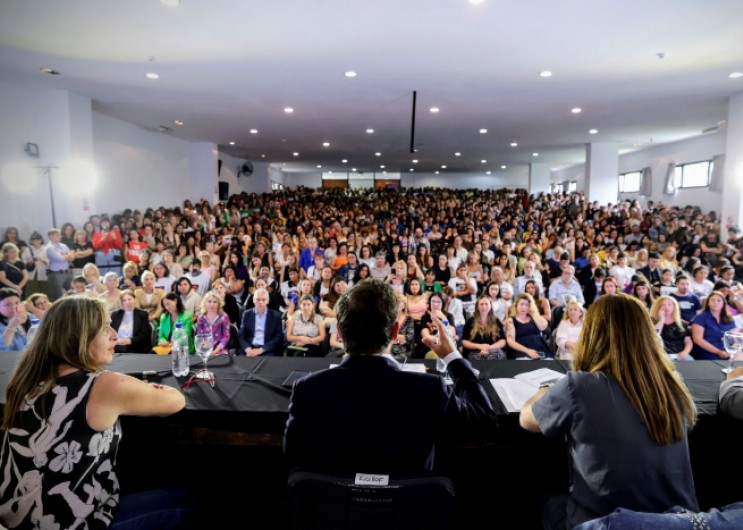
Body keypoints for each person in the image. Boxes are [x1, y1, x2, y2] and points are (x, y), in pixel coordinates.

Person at [0, 296, 190, 529]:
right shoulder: (104, 386)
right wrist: (150, 389)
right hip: (70, 523)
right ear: (77, 336)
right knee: (184, 502)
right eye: (104, 328)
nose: (115, 335)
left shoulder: (25, 379)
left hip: (14, 517)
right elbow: (176, 401)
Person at [519, 294, 698, 530]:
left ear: (592, 334)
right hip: (679, 523)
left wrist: (545, 388)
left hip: (606, 523)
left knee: (541, 485)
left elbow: (527, 420)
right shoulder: (671, 386)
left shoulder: (579, 386)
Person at [283, 279, 497, 474]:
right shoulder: (429, 389)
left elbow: (293, 457)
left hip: (333, 511)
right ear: (395, 332)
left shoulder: (307, 390)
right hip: (409, 509)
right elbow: (484, 421)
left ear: (339, 331)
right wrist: (452, 357)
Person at [690, 290, 738, 360]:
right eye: (712, 300)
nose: (716, 302)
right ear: (708, 303)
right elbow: (697, 339)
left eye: (719, 300)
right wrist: (718, 352)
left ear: (723, 303)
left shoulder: (729, 318)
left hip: (727, 351)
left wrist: (731, 351)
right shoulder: (700, 317)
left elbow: (734, 337)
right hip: (708, 352)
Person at [238, 288, 284, 356]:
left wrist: (261, 350)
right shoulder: (246, 314)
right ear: (253, 300)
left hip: (268, 350)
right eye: (258, 299)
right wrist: (248, 349)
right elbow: (241, 336)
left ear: (268, 301)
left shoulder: (276, 316)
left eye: (263, 300)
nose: (261, 302)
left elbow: (278, 337)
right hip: (250, 348)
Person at [504, 293, 550, 359]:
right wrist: (527, 351)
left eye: (526, 305)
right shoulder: (511, 321)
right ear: (516, 305)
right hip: (522, 351)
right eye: (521, 304)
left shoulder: (534, 318)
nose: (524, 307)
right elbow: (510, 341)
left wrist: (534, 314)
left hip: (540, 349)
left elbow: (543, 327)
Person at [461, 296, 506, 360]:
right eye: (481, 304)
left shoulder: (497, 321)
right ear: (477, 306)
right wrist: (480, 346)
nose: (484, 307)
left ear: (490, 306)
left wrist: (489, 348)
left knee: (495, 355)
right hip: (474, 351)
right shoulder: (470, 321)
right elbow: (464, 342)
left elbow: (502, 341)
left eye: (486, 304)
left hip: (493, 350)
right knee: (479, 357)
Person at [650, 296, 693, 360]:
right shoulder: (652, 322)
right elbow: (655, 335)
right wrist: (661, 320)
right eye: (663, 305)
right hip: (661, 355)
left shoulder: (682, 323)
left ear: (674, 307)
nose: (666, 307)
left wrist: (685, 352)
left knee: (690, 360)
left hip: (679, 354)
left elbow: (688, 341)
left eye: (669, 305)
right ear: (658, 307)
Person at [196, 291, 231, 355]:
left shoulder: (224, 317)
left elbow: (226, 336)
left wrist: (216, 350)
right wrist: (205, 345)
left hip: (220, 350)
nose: (212, 304)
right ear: (205, 303)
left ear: (219, 304)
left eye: (215, 302)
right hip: (205, 348)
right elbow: (200, 335)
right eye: (209, 301)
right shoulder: (201, 318)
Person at [45, 228, 75, 301]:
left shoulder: (63, 245)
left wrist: (65, 256)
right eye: (57, 235)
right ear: (50, 237)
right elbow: (60, 258)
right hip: (56, 274)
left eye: (60, 235)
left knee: (73, 293)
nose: (60, 236)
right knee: (57, 296)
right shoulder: (49, 248)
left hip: (67, 272)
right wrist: (66, 255)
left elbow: (72, 257)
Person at [0, 287, 28, 352]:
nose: (13, 307)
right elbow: (2, 351)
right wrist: (12, 326)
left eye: (17, 303)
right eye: (8, 304)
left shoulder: (28, 317)